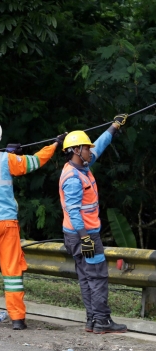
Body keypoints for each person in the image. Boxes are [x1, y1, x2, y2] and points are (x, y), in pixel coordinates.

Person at [0, 118, 65, 330]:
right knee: (12, 272)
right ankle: (17, 318)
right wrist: (54, 144)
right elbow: (35, 162)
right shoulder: (7, 160)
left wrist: (8, 155)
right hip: (6, 224)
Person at [59, 116, 128, 334]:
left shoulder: (82, 166)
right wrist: (86, 238)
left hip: (77, 235)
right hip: (84, 235)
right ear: (77, 150)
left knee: (87, 276)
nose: (91, 150)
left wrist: (114, 127)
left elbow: (100, 145)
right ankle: (102, 322)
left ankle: (92, 320)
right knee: (97, 275)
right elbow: (73, 211)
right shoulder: (73, 178)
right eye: (87, 148)